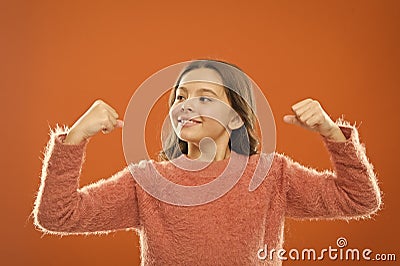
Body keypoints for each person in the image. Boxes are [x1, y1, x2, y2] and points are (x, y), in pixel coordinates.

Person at [32, 59, 382, 265]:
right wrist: (75, 137)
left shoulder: (271, 174)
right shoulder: (149, 181)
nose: (186, 105)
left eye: (205, 97)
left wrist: (331, 132)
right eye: (180, 97)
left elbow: (359, 199)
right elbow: (58, 216)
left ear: (235, 118)